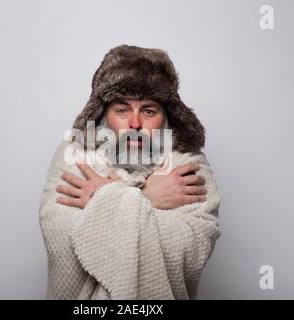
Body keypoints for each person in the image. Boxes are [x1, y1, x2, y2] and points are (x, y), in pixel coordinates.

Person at [38, 44, 221, 299]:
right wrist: (146, 197)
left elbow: (193, 245)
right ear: (103, 114)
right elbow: (60, 234)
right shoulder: (75, 155)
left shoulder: (187, 162)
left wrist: (102, 198)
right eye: (122, 110)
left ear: (166, 117)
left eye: (148, 110)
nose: (135, 123)